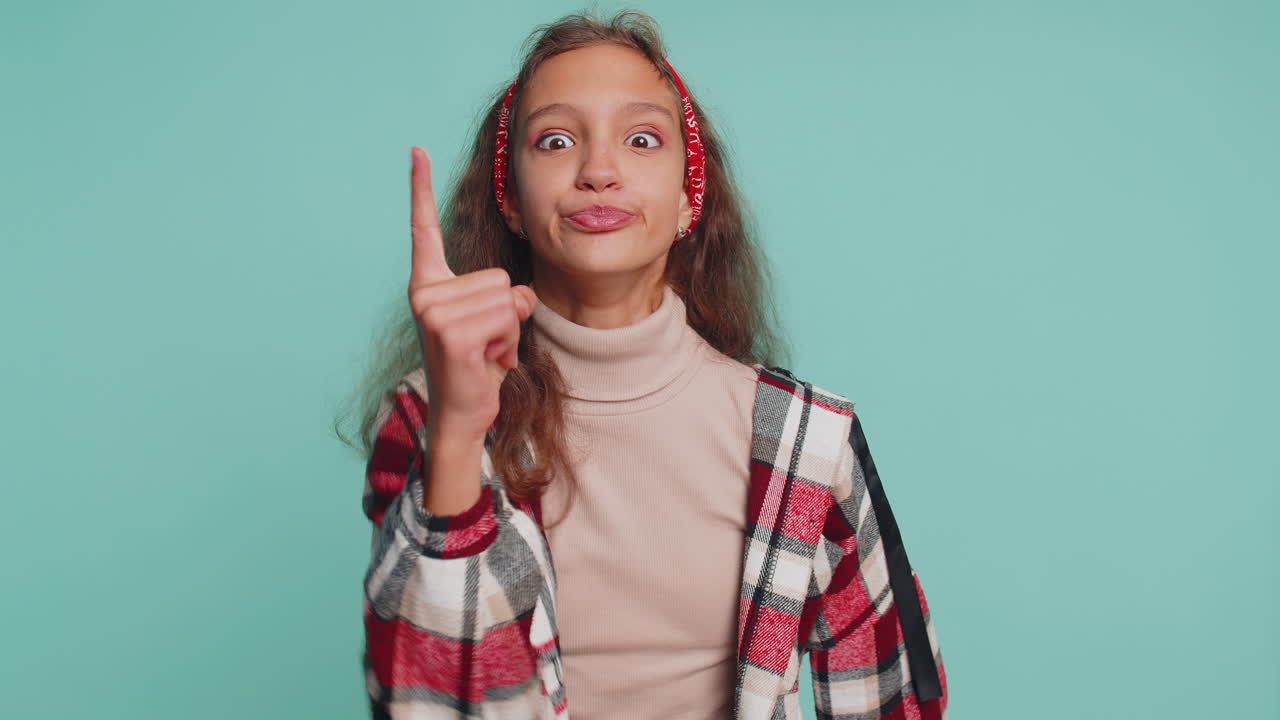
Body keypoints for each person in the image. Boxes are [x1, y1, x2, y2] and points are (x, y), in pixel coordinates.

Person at [342, 9, 948, 719]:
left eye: (641, 139)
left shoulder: (804, 441)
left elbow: (892, 698)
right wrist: (456, 434)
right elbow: (423, 703)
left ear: (691, 198)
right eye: (556, 140)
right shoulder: (427, 414)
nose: (599, 171)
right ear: (509, 200)